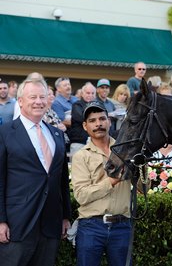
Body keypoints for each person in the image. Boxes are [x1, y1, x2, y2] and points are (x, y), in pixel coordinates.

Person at [0, 78, 71, 266]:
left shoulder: (56, 134)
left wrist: (65, 216)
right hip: (17, 225)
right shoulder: (5, 132)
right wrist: (1, 221)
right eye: (33, 97)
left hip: (50, 224)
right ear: (21, 101)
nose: (38, 101)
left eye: (42, 97)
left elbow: (62, 179)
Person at [72, 102, 132, 266]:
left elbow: (144, 188)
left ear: (109, 121)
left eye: (102, 119)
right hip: (91, 227)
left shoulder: (125, 150)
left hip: (122, 225)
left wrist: (142, 166)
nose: (98, 124)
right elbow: (81, 196)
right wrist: (113, 181)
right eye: (92, 120)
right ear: (85, 126)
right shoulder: (81, 156)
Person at [69, 82, 96, 156]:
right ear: (82, 94)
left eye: (92, 93)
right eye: (88, 93)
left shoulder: (98, 106)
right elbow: (82, 118)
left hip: (94, 143)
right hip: (79, 143)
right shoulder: (76, 105)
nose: (90, 95)